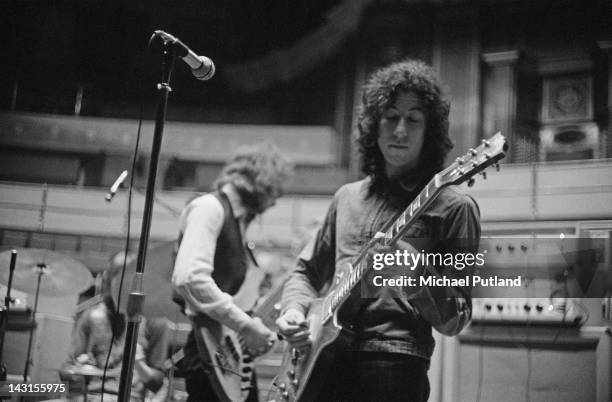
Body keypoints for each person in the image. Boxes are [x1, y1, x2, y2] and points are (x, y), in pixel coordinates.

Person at [276, 59, 481, 402]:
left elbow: (457, 317)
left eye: (414, 119)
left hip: (395, 363)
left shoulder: (455, 206)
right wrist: (294, 310)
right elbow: (306, 270)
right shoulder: (346, 197)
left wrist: (416, 274)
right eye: (390, 116)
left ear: (429, 130)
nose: (400, 129)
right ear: (374, 124)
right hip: (319, 358)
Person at [171, 142, 293, 401]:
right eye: (275, 193)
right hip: (209, 351)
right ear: (261, 183)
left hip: (227, 351)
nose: (274, 203)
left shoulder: (237, 223)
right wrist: (247, 326)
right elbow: (189, 277)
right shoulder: (209, 208)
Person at [60, 254, 169, 402]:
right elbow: (67, 372)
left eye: (127, 279)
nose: (120, 285)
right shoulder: (91, 317)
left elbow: (158, 384)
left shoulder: (155, 322)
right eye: (116, 278)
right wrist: (78, 370)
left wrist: (140, 366)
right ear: (106, 279)